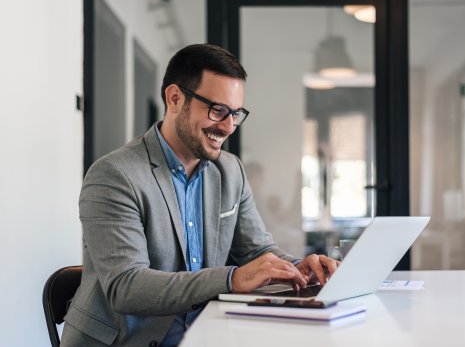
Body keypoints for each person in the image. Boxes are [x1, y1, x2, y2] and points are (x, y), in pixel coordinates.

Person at [61, 44, 339, 347]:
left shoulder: (231, 171)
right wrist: (231, 278)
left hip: (207, 335)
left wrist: (299, 268)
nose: (228, 126)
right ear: (175, 98)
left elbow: (257, 251)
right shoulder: (114, 174)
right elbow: (126, 287)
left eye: (235, 113)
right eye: (218, 110)